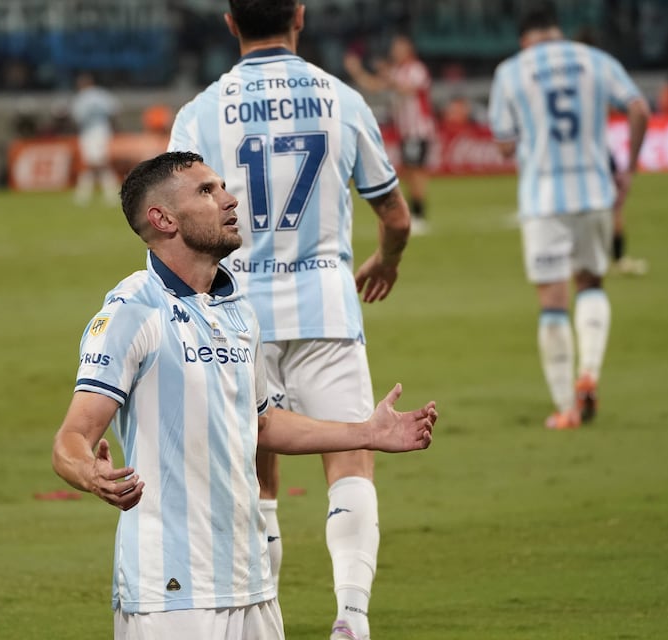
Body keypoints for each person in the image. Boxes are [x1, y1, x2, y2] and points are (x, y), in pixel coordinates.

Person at [51, 151, 438, 640]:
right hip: (172, 593)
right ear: (162, 218)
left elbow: (264, 424)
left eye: (222, 188)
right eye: (207, 191)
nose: (230, 201)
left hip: (251, 584)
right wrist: (90, 473)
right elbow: (71, 437)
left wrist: (367, 432)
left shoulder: (238, 312)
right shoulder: (131, 312)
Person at [167, 3, 415, 638]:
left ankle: (263, 621)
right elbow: (396, 217)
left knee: (256, 471)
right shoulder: (342, 100)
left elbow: (177, 230)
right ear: (300, 15)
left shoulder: (197, 113)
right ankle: (352, 619)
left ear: (229, 22)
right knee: (354, 453)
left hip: (235, 314)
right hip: (326, 307)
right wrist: (385, 261)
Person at [487, 2, 650, 429]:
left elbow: (504, 143)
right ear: (557, 31)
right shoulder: (595, 59)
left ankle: (565, 409)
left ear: (525, 38)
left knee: (552, 304)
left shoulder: (511, 71)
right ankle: (589, 374)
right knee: (591, 283)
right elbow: (639, 109)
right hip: (595, 192)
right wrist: (628, 168)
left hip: (543, 199)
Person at [344, 34, 436, 235]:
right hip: (405, 130)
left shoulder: (416, 69)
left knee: (416, 171)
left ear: (408, 49)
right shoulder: (397, 71)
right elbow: (374, 87)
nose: (395, 51)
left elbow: (406, 89)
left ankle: (419, 214)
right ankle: (416, 213)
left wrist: (387, 75)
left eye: (399, 47)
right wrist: (357, 71)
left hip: (418, 129)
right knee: (409, 171)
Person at [70, 72, 120, 204]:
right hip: (103, 131)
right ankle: (93, 194)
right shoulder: (102, 95)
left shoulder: (81, 98)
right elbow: (114, 112)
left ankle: (90, 194)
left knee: (96, 164)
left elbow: (76, 118)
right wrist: (114, 129)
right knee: (96, 163)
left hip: (89, 133)